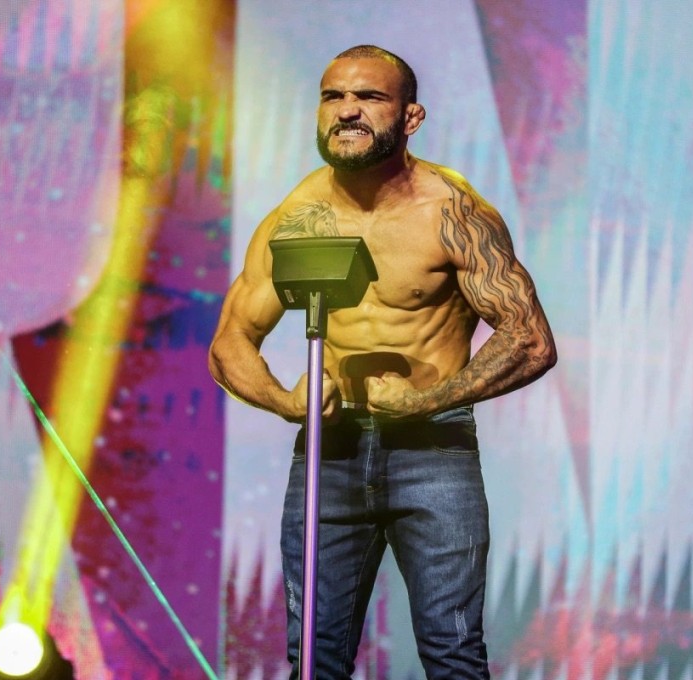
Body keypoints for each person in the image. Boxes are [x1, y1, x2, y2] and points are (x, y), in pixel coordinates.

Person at [209, 44, 557, 679]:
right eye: (333, 96)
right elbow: (230, 341)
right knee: (313, 660)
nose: (347, 110)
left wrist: (426, 400)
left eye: (368, 97)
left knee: (453, 656)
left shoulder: (452, 213)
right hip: (330, 450)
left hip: (434, 448)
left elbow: (530, 338)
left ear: (411, 117)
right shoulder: (299, 216)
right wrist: (286, 402)